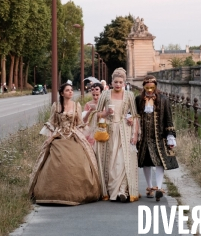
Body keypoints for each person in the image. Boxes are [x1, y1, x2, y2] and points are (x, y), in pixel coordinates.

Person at [29, 83, 101, 205]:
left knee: (79, 161)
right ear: (62, 93)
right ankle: (53, 193)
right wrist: (50, 137)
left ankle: (78, 192)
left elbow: (79, 122)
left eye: (71, 90)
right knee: (54, 161)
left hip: (73, 135)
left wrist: (84, 132)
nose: (70, 92)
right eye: (68, 90)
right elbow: (52, 122)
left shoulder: (76, 105)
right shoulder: (56, 106)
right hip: (59, 135)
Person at [91, 67, 140, 202]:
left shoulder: (129, 95)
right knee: (111, 162)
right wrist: (106, 114)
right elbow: (96, 114)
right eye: (116, 82)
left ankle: (122, 191)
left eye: (120, 82)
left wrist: (135, 133)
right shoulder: (105, 95)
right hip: (109, 131)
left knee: (123, 161)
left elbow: (135, 115)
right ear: (111, 82)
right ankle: (112, 191)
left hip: (125, 130)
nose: (118, 84)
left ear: (124, 83)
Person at [135, 75, 178, 202]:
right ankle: (149, 187)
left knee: (160, 162)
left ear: (155, 87)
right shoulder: (138, 99)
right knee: (145, 162)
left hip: (159, 137)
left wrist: (170, 136)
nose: (149, 90)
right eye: (147, 88)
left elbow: (168, 117)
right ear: (143, 87)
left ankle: (159, 187)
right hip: (143, 137)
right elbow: (134, 115)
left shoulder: (163, 100)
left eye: (152, 88)